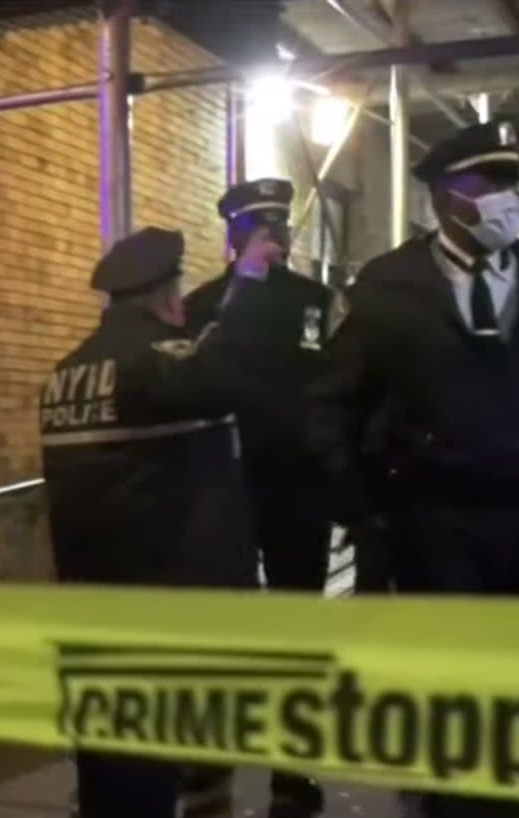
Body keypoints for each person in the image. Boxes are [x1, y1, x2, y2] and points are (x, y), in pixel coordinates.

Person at [305, 119, 519, 818]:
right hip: (429, 511)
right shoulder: (388, 286)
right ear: (448, 196)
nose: (508, 199)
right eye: (490, 184)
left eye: (512, 183)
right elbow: (330, 405)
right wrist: (360, 510)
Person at [40, 227, 274, 818]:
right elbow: (223, 374)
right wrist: (246, 284)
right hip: (165, 610)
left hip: (95, 602)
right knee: (147, 772)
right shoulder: (155, 364)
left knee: (108, 767)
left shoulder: (66, 374)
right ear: (166, 296)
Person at [184, 178, 337, 818]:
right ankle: (210, 761)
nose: (276, 237)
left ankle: (291, 767)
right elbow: (195, 377)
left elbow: (335, 380)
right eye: (260, 227)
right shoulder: (205, 303)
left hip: (299, 485)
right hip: (226, 483)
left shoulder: (316, 299)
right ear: (234, 236)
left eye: (281, 225)